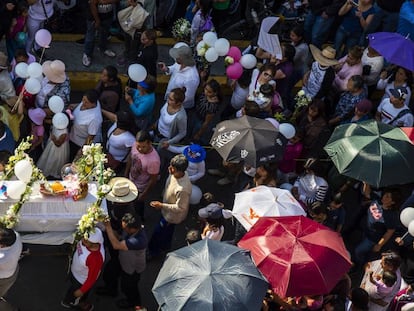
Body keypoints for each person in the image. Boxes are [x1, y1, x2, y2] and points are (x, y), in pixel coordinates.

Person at [147, 154, 192, 258]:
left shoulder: (182, 189)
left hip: (171, 216)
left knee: (159, 234)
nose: (169, 169)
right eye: (170, 166)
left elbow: (181, 208)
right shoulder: (174, 174)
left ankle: (154, 252)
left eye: (173, 168)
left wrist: (162, 205)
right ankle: (165, 247)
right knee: (166, 234)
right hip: (165, 211)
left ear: (181, 171)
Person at [103, 212, 148, 310]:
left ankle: (133, 302)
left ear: (133, 229)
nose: (123, 229)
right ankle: (111, 290)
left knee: (129, 287)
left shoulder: (139, 240)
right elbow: (119, 238)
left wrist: (108, 227)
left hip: (132, 269)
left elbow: (116, 245)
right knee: (109, 272)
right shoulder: (130, 230)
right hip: (123, 260)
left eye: (125, 228)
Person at [354, 183, 402, 268]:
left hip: (372, 238)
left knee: (357, 251)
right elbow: (367, 193)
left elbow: (390, 231)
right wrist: (366, 183)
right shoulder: (378, 199)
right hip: (366, 230)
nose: (384, 197)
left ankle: (359, 265)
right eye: (385, 195)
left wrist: (379, 245)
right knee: (362, 248)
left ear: (393, 202)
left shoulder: (391, 216)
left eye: (388, 197)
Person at [61, 228, 105, 311]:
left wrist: (82, 290)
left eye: (86, 240)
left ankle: (72, 303)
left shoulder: (95, 259)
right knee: (71, 289)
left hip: (81, 282)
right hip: (75, 273)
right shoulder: (87, 241)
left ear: (95, 243)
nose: (82, 240)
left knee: (75, 295)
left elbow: (92, 278)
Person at [124, 130, 160, 222]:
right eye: (138, 146)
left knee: (138, 206)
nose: (139, 149)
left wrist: (144, 194)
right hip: (130, 179)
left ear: (149, 143)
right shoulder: (134, 146)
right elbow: (130, 159)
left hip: (140, 188)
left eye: (143, 147)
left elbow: (153, 179)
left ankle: (140, 220)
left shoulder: (154, 160)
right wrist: (125, 174)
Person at [158, 44, 200, 109]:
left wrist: (173, 101)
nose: (175, 57)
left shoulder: (192, 77)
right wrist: (166, 69)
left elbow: (188, 97)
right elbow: (173, 68)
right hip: (170, 99)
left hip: (179, 106)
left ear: (182, 59)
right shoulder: (178, 63)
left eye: (177, 56)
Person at [68, 89, 103, 161]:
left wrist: (82, 149)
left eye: (86, 102)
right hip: (73, 135)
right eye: (83, 100)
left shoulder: (94, 119)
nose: (83, 103)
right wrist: (74, 106)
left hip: (79, 142)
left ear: (93, 104)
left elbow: (91, 136)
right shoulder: (88, 102)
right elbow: (81, 104)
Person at [82, 0, 118, 67]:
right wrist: (97, 20)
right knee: (90, 37)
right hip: (92, 17)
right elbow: (92, 3)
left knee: (104, 34)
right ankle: (87, 54)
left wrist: (105, 1)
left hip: (107, 16)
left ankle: (103, 48)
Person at [101, 110, 136, 175]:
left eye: (117, 118)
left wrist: (126, 172)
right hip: (108, 156)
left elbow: (130, 156)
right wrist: (102, 110)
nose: (115, 118)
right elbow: (113, 117)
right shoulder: (116, 125)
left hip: (117, 162)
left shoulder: (129, 138)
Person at [37, 111, 69, 179]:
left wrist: (53, 138)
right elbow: (48, 121)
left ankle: (53, 173)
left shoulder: (64, 132)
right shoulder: (56, 123)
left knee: (55, 160)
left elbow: (58, 144)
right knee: (48, 158)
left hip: (58, 149)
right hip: (51, 145)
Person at [190, 78, 222, 144]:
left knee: (197, 131)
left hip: (201, 120)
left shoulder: (212, 106)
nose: (206, 92)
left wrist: (199, 134)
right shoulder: (205, 95)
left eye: (209, 92)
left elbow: (206, 122)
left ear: (215, 93)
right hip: (197, 114)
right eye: (205, 89)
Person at [0, 228, 22, 311]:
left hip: (4, 279)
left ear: (2, 246)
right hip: (12, 271)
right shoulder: (15, 236)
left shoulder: (3, 257)